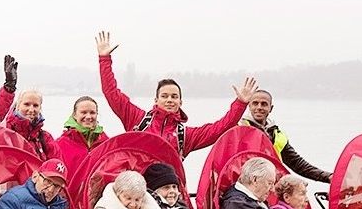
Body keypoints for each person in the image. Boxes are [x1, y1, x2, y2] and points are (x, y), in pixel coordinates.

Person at [94, 31, 254, 157]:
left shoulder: (186, 135)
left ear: (180, 102)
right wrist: (104, 59)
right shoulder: (137, 120)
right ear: (156, 100)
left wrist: (240, 103)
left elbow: (220, 128)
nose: (169, 100)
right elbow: (111, 93)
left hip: (171, 194)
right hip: (138, 193)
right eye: (164, 96)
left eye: (174, 96)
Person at [243, 90, 333, 182]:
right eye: (255, 103)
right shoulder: (240, 128)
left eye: (264, 104)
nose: (259, 107)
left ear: (271, 108)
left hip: (270, 185)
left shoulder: (278, 135)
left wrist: (328, 177)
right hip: (247, 185)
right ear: (249, 106)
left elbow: (297, 163)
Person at [55, 96, 109, 173]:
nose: (88, 116)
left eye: (92, 113)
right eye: (83, 112)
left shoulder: (106, 143)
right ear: (74, 115)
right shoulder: (60, 144)